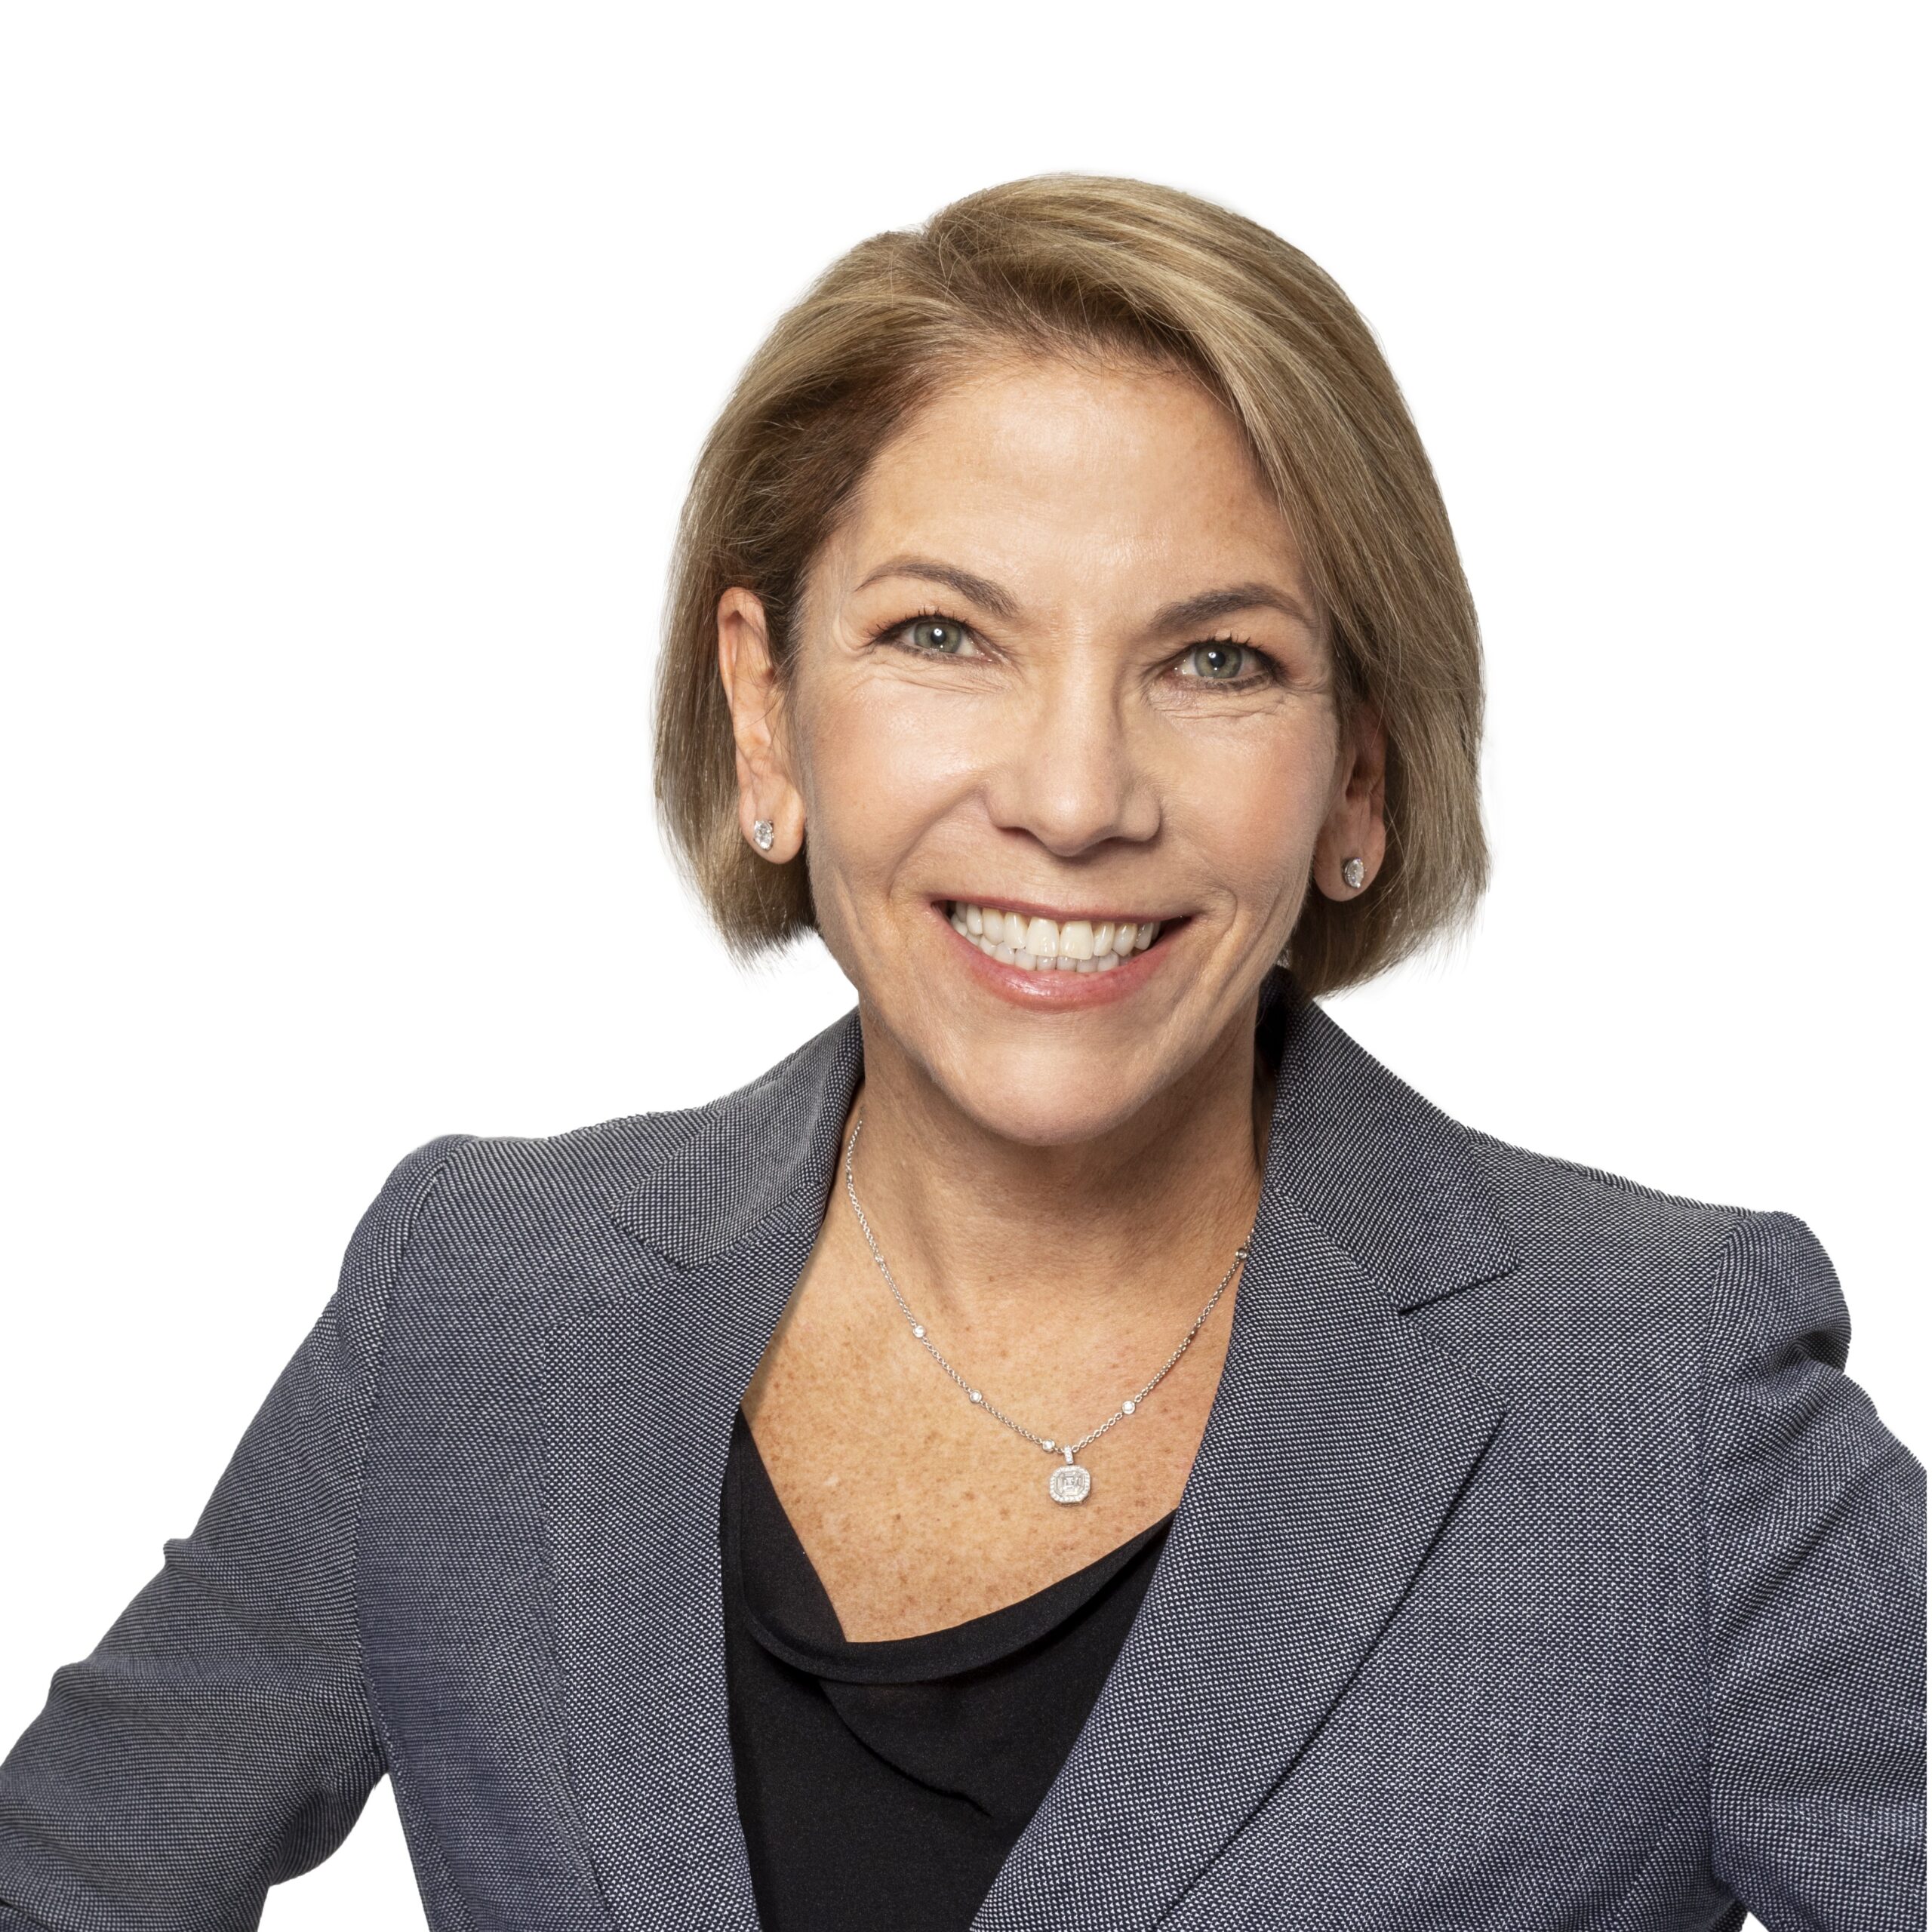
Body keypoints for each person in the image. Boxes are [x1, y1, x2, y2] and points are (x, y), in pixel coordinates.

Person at [0, 173, 1921, 1932]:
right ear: (766, 710)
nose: (1074, 796)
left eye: (1217, 660)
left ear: (1358, 770)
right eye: (942, 635)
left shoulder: (1667, 1400)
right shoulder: (477, 1301)